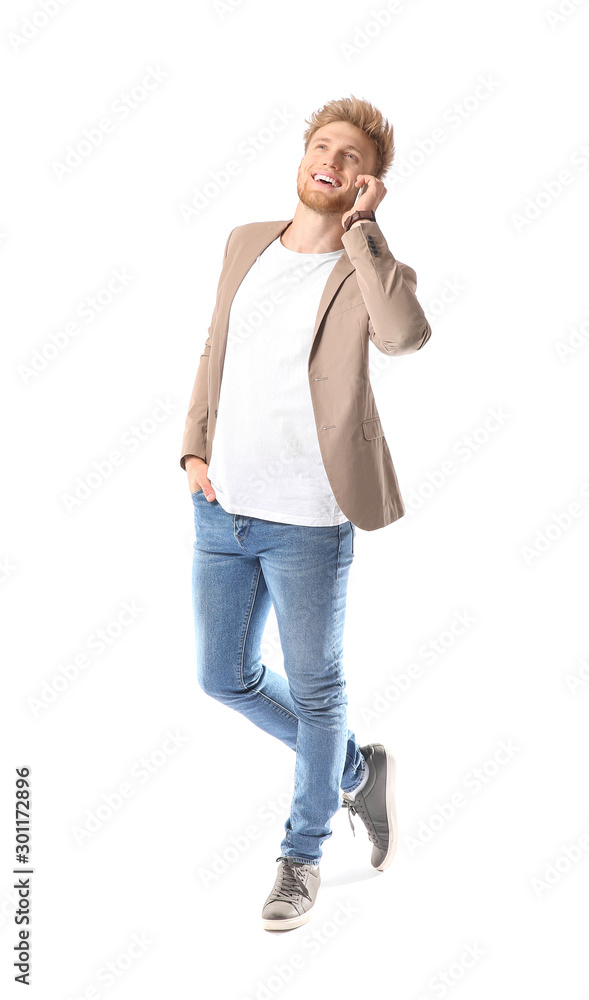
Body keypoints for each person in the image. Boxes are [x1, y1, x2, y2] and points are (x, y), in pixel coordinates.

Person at [179, 95, 432, 932]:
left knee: (318, 692)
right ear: (301, 156)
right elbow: (212, 349)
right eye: (322, 146)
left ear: (369, 183)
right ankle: (357, 769)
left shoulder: (364, 269)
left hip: (309, 520)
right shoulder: (243, 243)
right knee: (224, 677)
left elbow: (404, 335)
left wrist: (365, 233)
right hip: (222, 510)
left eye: (352, 157)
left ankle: (303, 853)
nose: (332, 159)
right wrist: (193, 450)